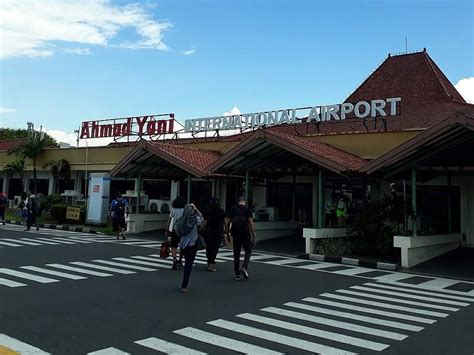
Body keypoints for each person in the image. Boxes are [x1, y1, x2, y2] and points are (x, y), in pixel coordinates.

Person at [226, 197, 256, 281]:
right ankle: (244, 266)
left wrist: (227, 233)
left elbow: (228, 222)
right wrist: (254, 236)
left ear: (238, 202)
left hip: (235, 233)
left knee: (236, 253)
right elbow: (251, 223)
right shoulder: (247, 209)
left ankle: (237, 274)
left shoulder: (233, 209)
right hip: (245, 233)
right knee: (248, 251)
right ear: (245, 202)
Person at [176, 203, 203, 293]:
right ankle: (185, 284)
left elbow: (177, 231)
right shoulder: (194, 220)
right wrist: (196, 209)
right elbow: (201, 219)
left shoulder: (181, 220)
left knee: (187, 262)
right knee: (189, 264)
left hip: (183, 245)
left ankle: (184, 284)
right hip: (192, 244)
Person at [203, 197, 226, 272]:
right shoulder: (221, 210)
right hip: (218, 231)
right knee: (215, 248)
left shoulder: (208, 210)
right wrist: (226, 230)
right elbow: (225, 221)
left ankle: (209, 262)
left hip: (209, 231)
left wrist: (201, 228)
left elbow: (205, 221)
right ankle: (211, 263)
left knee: (209, 247)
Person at [165, 196, 186, 270]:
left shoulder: (173, 210)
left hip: (175, 229)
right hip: (183, 230)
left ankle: (174, 259)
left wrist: (167, 230)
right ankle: (180, 259)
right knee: (183, 245)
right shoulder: (185, 210)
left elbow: (169, 220)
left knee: (173, 245)